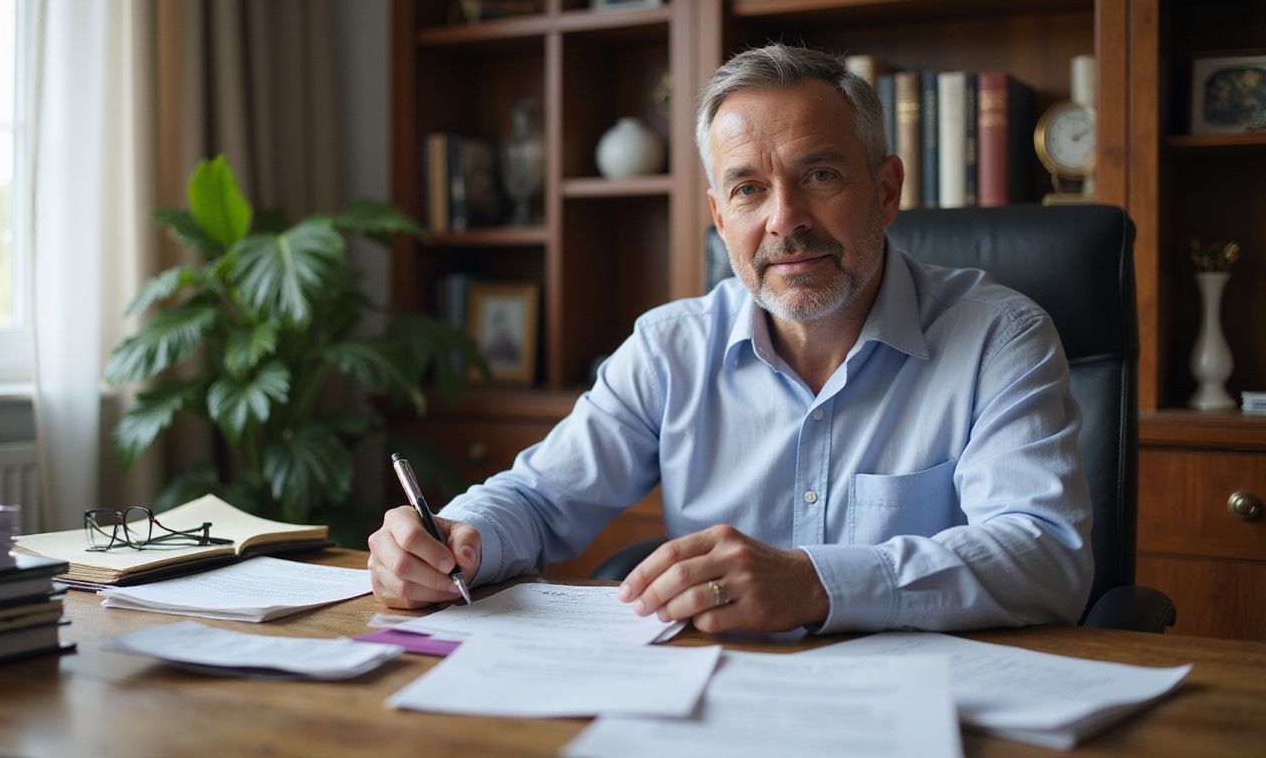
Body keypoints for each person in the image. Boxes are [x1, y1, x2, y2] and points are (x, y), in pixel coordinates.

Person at [368, 44, 1093, 635]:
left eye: (819, 173)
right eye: (749, 189)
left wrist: (814, 581)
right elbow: (540, 497)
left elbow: (1045, 553)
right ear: (721, 218)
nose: (786, 219)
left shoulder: (1000, 335)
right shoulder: (669, 348)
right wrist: (459, 537)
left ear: (886, 189)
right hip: (713, 703)